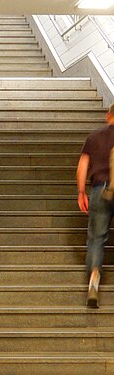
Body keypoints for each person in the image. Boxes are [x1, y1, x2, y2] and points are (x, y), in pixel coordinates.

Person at [76, 103, 114, 308]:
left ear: (108, 116)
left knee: (97, 238)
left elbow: (82, 165)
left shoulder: (94, 137)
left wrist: (81, 191)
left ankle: (94, 278)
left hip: (100, 189)